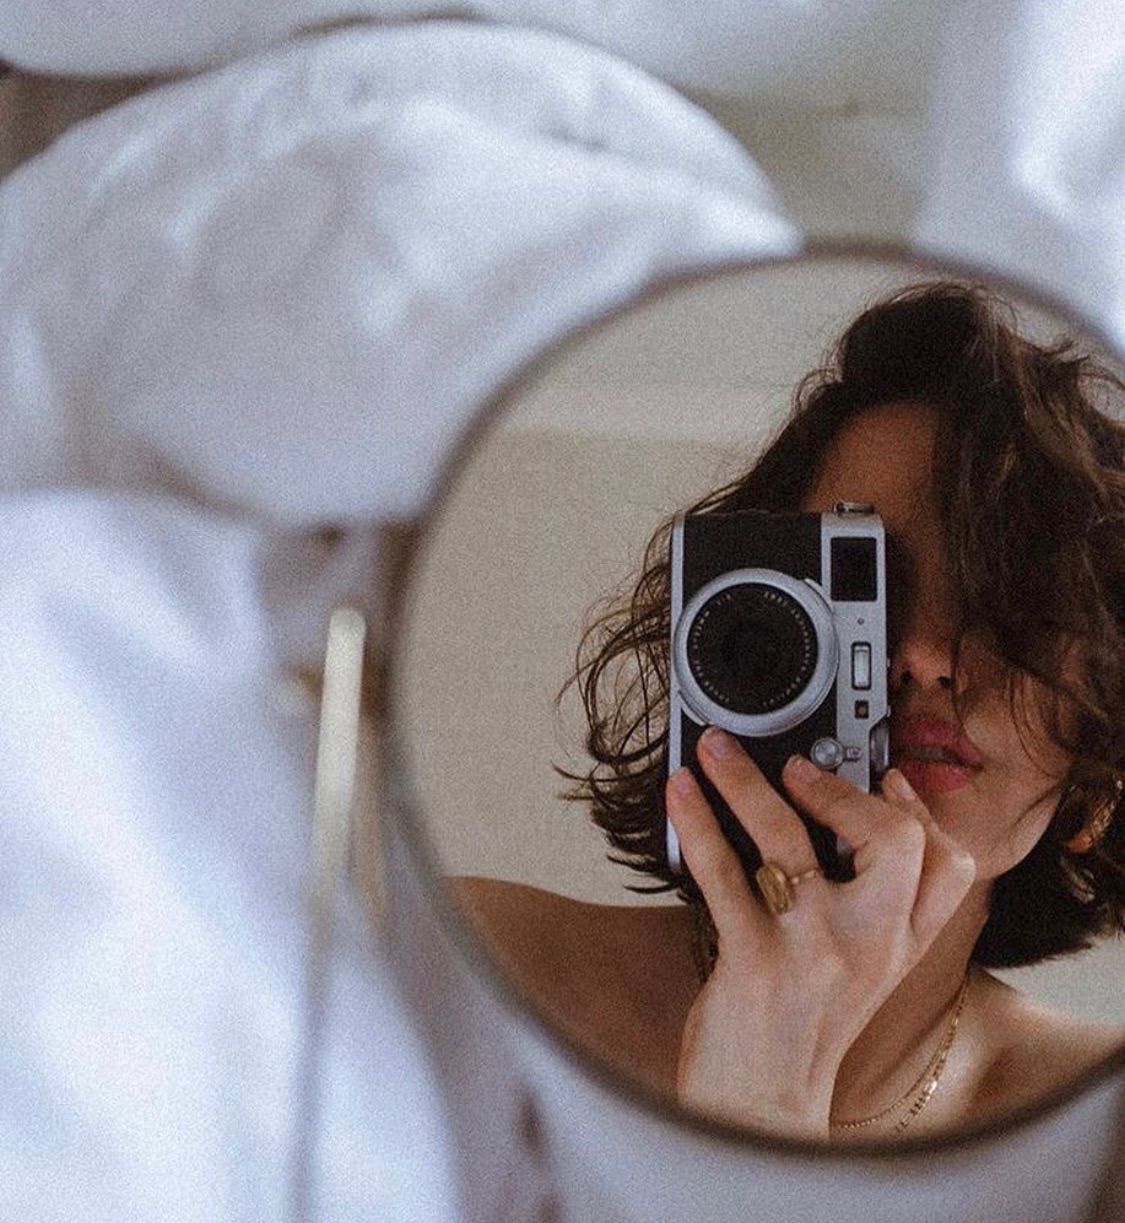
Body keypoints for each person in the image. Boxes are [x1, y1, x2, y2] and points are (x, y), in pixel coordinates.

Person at [451, 281, 1125, 1141]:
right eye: (865, 581)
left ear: (1094, 774)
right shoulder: (471, 971)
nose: (923, 652)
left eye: (1012, 604)